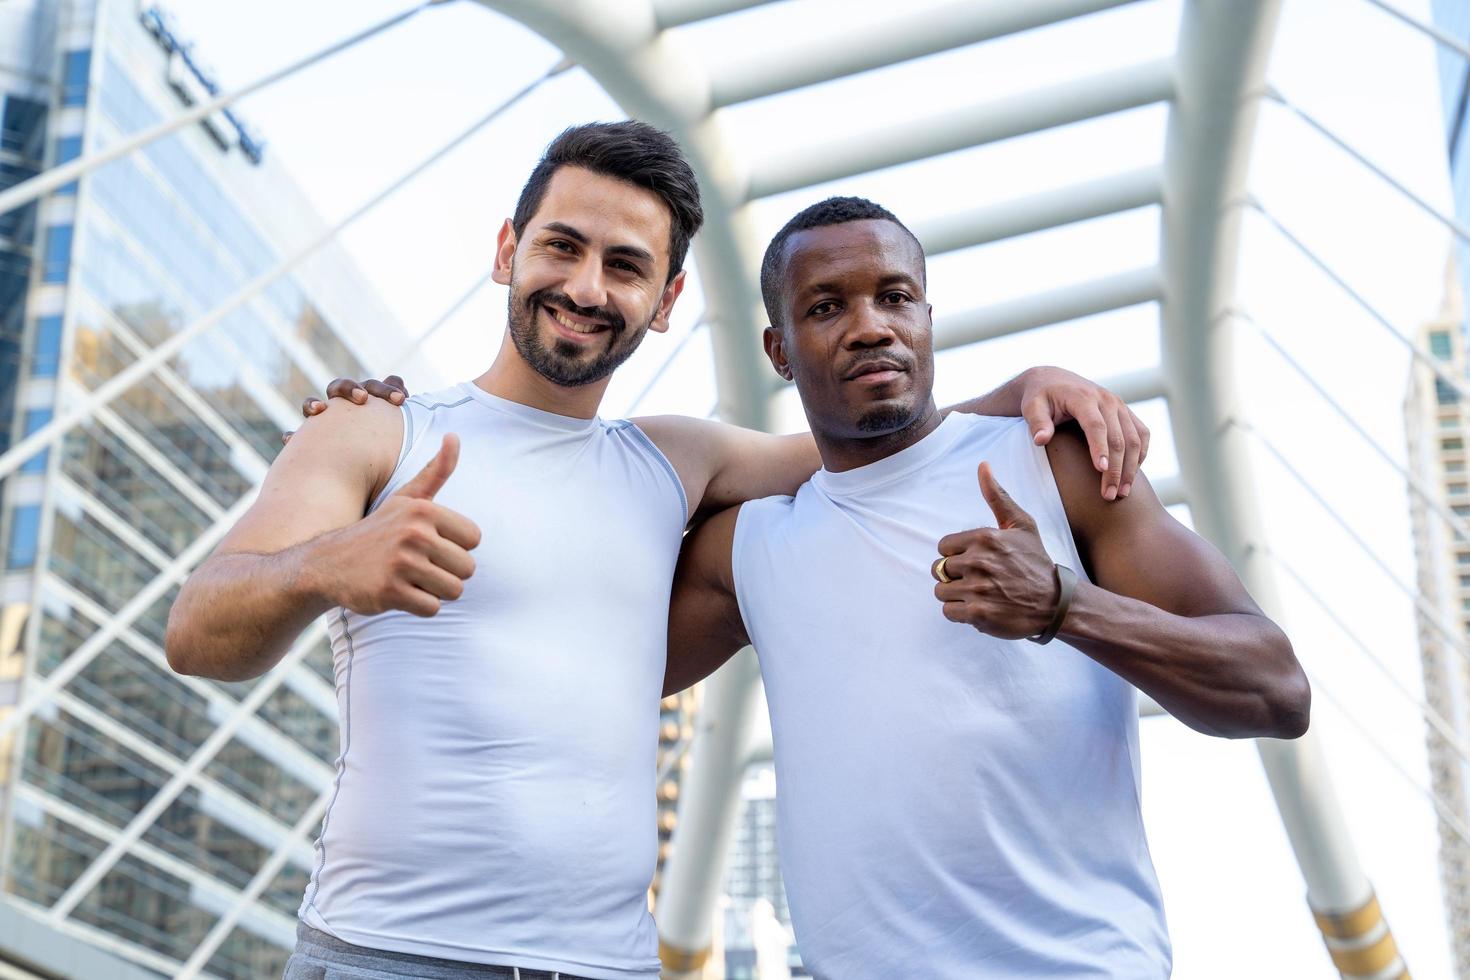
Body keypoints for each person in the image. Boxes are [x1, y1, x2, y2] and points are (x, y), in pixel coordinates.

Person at [165, 121, 1150, 980]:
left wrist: (1025, 381)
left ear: (668, 298)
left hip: (611, 964)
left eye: (627, 266)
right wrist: (325, 564)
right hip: (388, 954)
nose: (588, 287)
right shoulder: (377, 432)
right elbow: (199, 631)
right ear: (507, 249)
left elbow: (880, 440)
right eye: (563, 246)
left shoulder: (677, 461)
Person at [660, 197, 1311, 978]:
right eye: (827, 307)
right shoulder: (749, 547)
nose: (871, 326)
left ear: (928, 316)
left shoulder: (1050, 464)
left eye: (896, 297)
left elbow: (1278, 690)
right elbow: (588, 677)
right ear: (779, 349)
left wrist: (1065, 606)